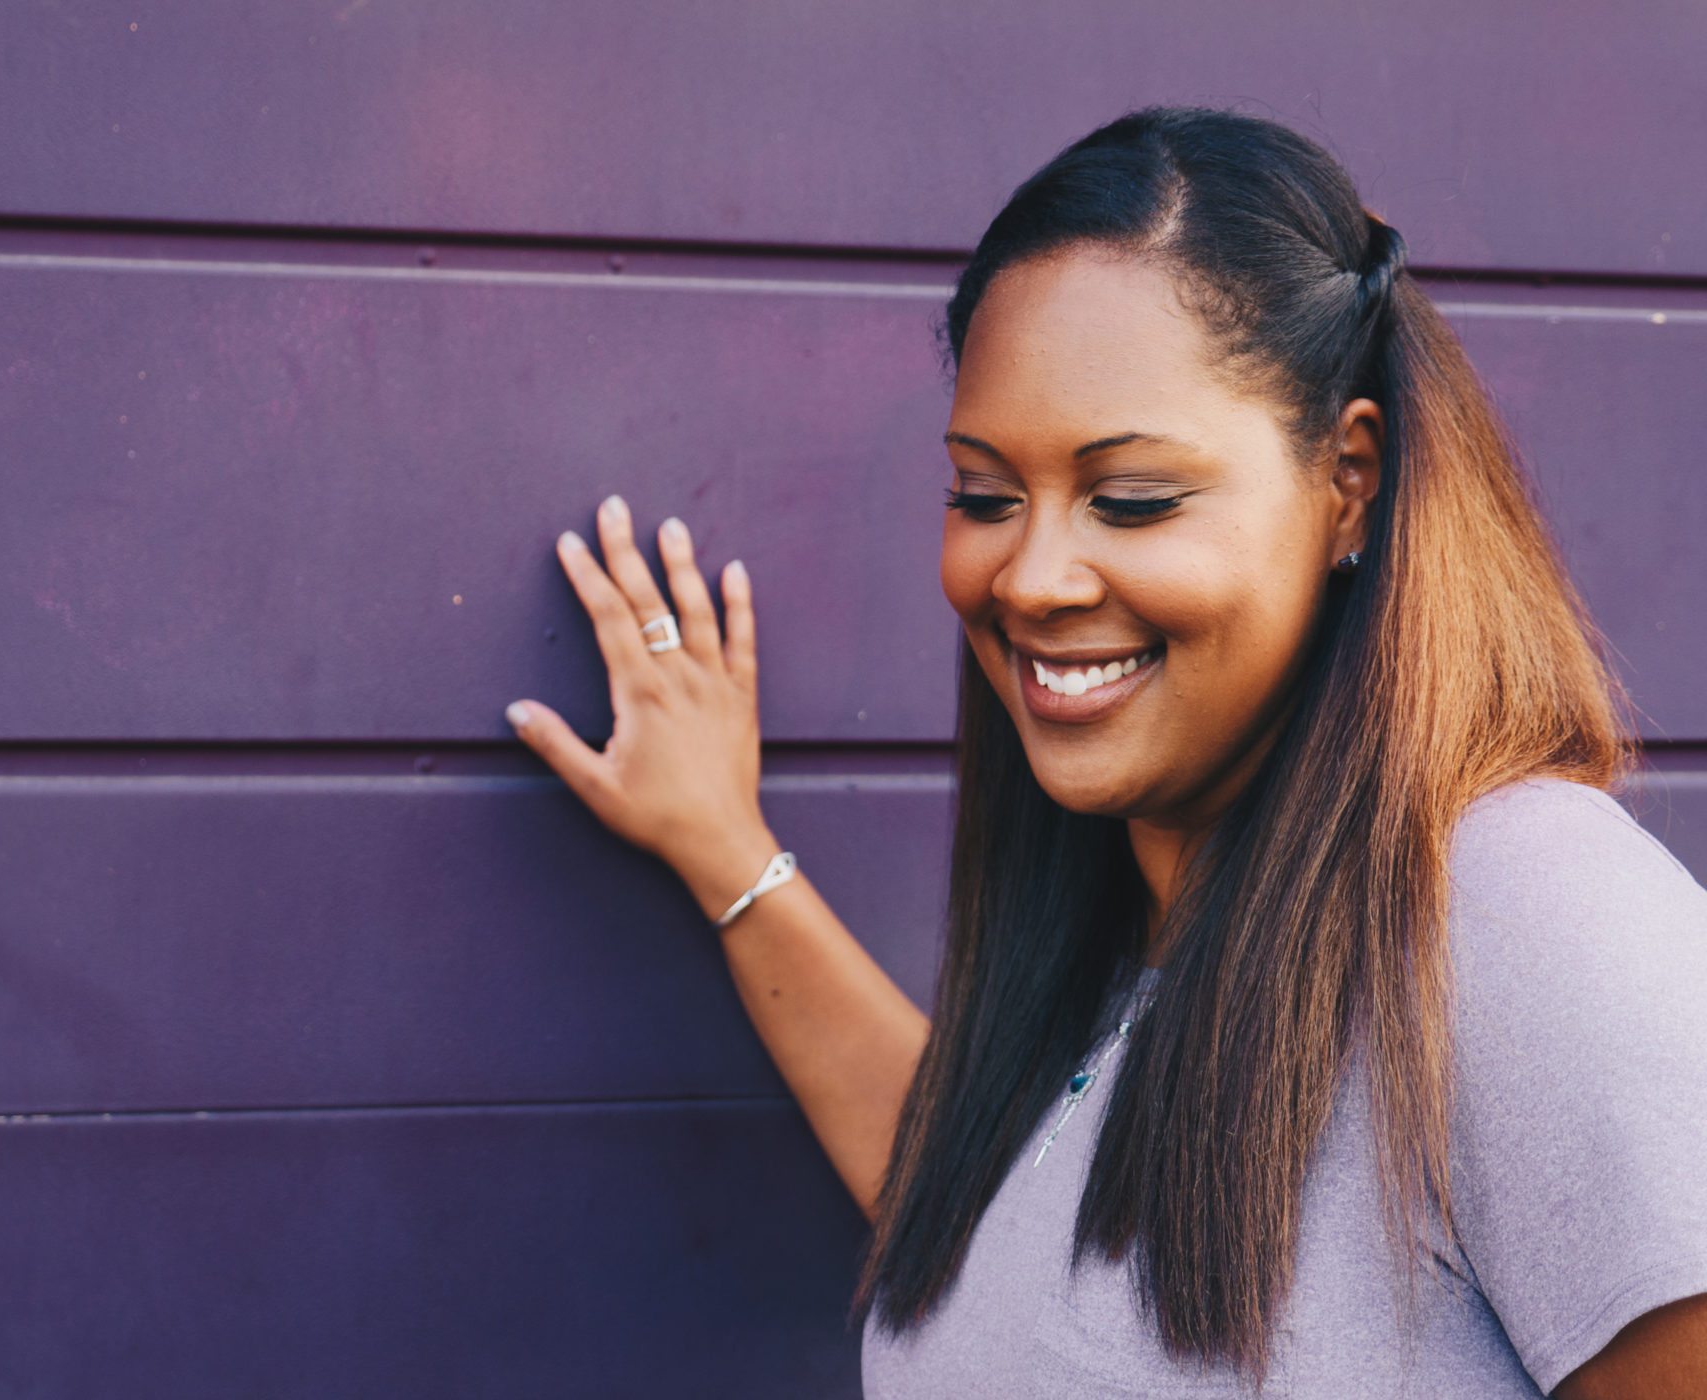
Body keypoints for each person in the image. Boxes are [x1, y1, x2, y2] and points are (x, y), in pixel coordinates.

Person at [500, 105, 1707, 1397]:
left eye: (1131, 499)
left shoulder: (1524, 913)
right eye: (984, 495)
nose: (1032, 575)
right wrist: (722, 847)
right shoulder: (1146, 917)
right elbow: (1003, 1245)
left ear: (1348, 480)